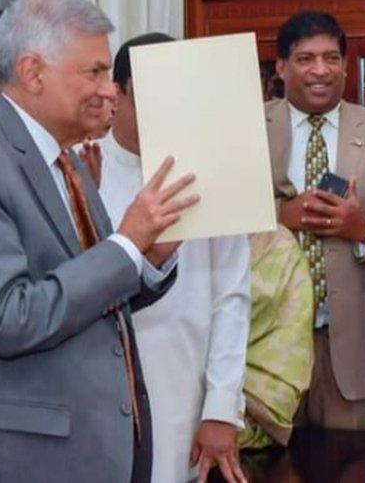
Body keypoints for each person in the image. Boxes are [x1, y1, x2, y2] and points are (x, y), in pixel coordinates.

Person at [0, 0, 198, 482]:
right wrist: (124, 246)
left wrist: (149, 258)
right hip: (23, 461)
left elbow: (87, 298)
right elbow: (8, 317)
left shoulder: (65, 157)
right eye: (94, 72)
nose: (109, 90)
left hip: (87, 451)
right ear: (34, 73)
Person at [99, 32, 251, 483]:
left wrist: (222, 408)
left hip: (181, 392)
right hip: (94, 391)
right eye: (149, 95)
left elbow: (232, 298)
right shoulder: (79, 167)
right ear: (118, 94)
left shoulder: (214, 173)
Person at [265, 11, 365, 430]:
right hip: (264, 345)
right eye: (305, 59)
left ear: (346, 65)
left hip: (353, 347)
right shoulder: (247, 129)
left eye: (331, 58)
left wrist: (364, 228)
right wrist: (281, 216)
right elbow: (218, 226)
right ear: (280, 66)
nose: (320, 71)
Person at [238, 225, 314, 451]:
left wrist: (222, 405)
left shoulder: (280, 247)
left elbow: (290, 348)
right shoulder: (161, 243)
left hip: (248, 423)